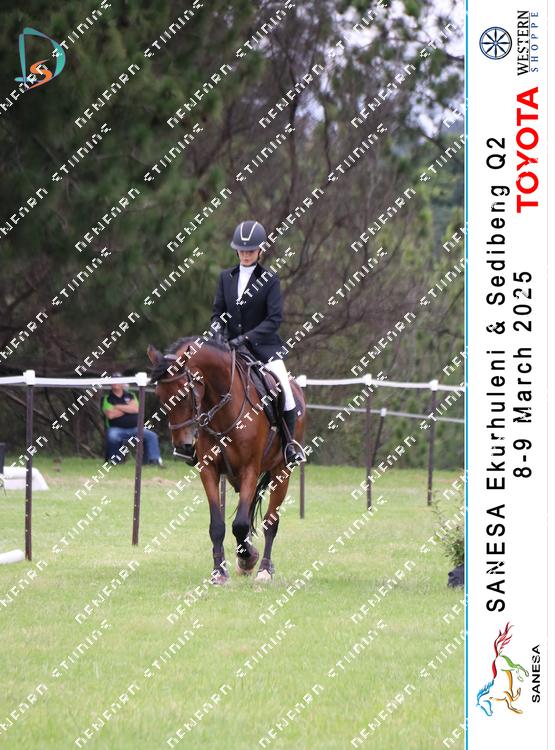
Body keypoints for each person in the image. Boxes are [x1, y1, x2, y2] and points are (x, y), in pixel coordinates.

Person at [210, 220, 305, 465]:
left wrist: (246, 338)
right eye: (241, 250)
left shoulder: (270, 279)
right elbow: (218, 313)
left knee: (286, 391)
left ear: (260, 250)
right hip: (231, 349)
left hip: (265, 350)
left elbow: (274, 320)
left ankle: (289, 446)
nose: (245, 255)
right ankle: (198, 443)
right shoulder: (226, 278)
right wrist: (218, 331)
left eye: (250, 251)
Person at [102, 373, 163, 466]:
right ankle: (115, 461)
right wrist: (128, 408)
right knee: (112, 436)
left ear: (123, 383)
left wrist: (116, 406)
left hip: (135, 428)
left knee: (152, 436)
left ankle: (153, 460)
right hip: (116, 429)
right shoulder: (107, 398)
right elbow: (110, 415)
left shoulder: (131, 395)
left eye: (118, 381)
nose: (115, 383)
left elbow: (136, 409)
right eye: (113, 381)